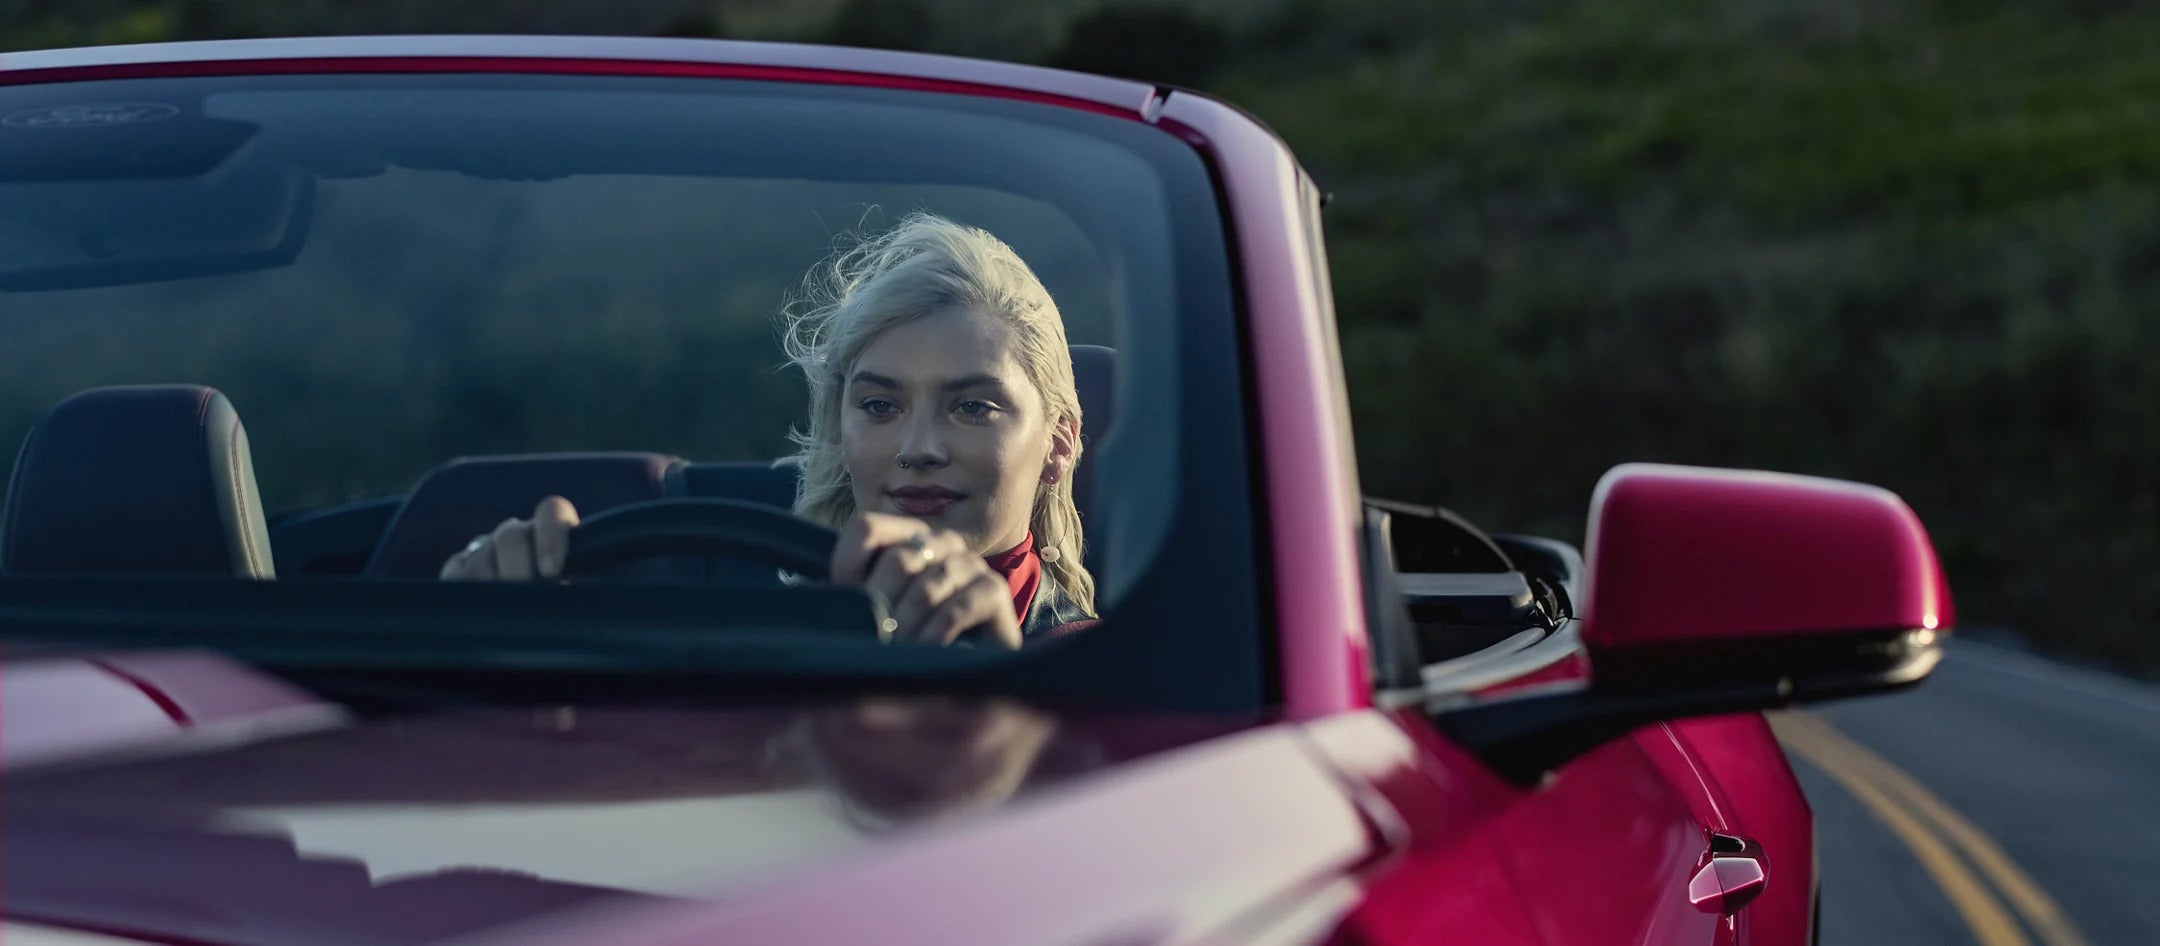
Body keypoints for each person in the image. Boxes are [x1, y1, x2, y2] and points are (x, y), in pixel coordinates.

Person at [440, 213, 1096, 647]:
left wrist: (1007, 676)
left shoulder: (1108, 672)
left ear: (1060, 441)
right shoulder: (741, 632)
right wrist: (497, 633)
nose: (918, 448)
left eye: (973, 407)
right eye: (879, 406)